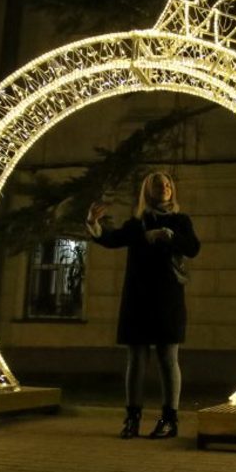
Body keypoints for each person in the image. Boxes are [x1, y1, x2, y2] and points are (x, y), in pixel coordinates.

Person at [86, 171, 200, 439]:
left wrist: (169, 236)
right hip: (138, 297)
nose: (164, 188)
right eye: (158, 185)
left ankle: (169, 420)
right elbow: (111, 239)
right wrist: (93, 223)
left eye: (168, 185)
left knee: (168, 359)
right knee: (136, 359)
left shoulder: (180, 220)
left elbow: (193, 247)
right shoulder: (138, 223)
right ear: (148, 191)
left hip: (168, 299)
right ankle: (132, 418)